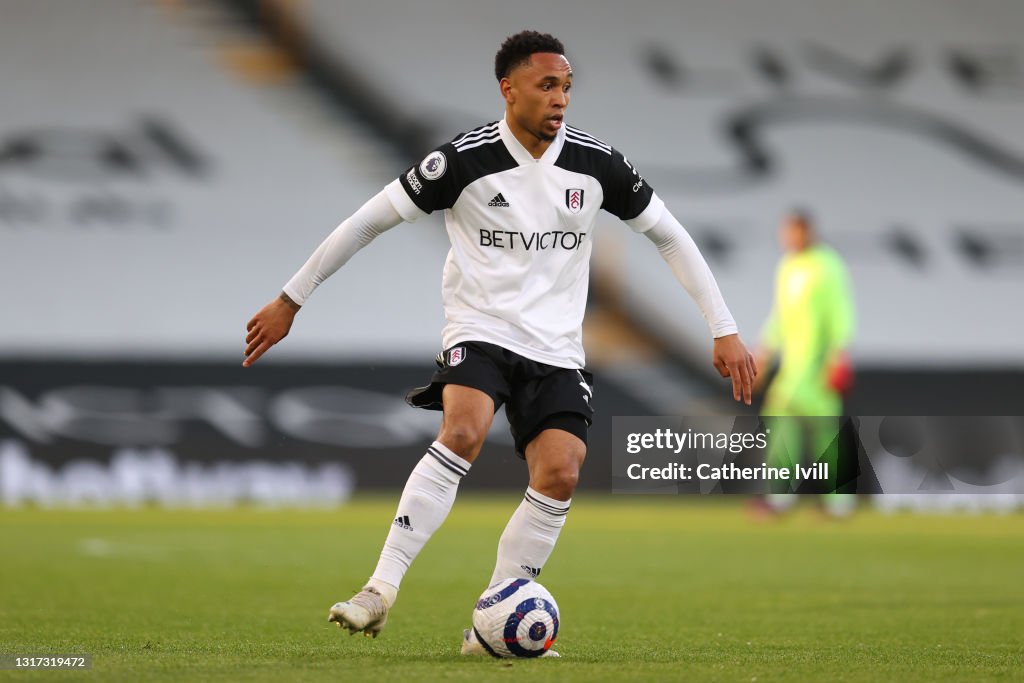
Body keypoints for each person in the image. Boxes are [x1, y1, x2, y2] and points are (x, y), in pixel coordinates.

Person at [243, 30, 756, 654]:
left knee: (562, 472)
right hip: (481, 330)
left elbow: (670, 236)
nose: (560, 99)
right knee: (462, 429)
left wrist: (723, 327)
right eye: (546, 86)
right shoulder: (462, 160)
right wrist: (292, 297)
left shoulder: (598, 165)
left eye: (566, 86)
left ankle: (494, 620)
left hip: (558, 347)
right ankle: (379, 591)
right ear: (508, 89)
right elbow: (367, 221)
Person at [755, 209, 855, 516]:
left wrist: (840, 356)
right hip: (793, 366)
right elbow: (780, 317)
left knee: (824, 431)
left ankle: (838, 503)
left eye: (793, 232)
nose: (787, 238)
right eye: (785, 233)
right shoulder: (787, 266)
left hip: (819, 365)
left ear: (807, 232)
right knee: (781, 420)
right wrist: (763, 352)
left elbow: (840, 312)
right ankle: (781, 498)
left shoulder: (828, 265)